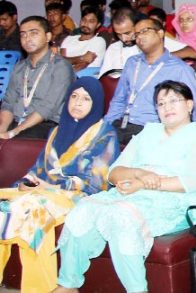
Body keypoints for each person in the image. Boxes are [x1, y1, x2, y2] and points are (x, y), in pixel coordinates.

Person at [55, 80, 196, 293]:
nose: (167, 107)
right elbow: (113, 173)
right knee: (83, 209)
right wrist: (139, 174)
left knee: (122, 217)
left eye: (174, 101)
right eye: (161, 103)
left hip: (176, 200)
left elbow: (191, 182)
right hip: (132, 194)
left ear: (190, 105)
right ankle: (68, 284)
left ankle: (137, 290)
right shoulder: (148, 133)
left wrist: (142, 184)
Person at [0, 77, 118, 293]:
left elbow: (95, 183)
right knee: (4, 208)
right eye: (74, 96)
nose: (78, 103)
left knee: (34, 212)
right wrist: (27, 183)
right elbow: (38, 170)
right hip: (44, 192)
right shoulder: (56, 131)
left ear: (97, 104)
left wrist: (51, 186)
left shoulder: (105, 134)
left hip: (81, 198)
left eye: (85, 99)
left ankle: (40, 288)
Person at [105, 17, 196, 144]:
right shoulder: (132, 63)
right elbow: (119, 99)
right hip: (121, 124)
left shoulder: (179, 69)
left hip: (152, 130)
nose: (139, 37)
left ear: (160, 33)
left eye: (144, 31)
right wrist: (106, 126)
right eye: (136, 34)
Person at [0, 16, 74, 140]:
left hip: (46, 124)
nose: (27, 39)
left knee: (19, 141)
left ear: (48, 37)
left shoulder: (60, 67)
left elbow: (48, 108)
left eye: (34, 33)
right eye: (23, 35)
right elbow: (9, 102)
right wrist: (2, 129)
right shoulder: (20, 67)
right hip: (17, 121)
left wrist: (13, 132)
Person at [98, 10, 192, 76]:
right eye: (118, 34)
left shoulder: (154, 40)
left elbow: (191, 52)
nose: (124, 39)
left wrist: (160, 57)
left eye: (127, 33)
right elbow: (104, 78)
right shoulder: (113, 48)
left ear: (137, 26)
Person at [59, 6, 107, 75]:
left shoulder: (99, 41)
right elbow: (60, 62)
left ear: (98, 25)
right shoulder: (69, 39)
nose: (86, 23)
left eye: (91, 21)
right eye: (84, 20)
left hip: (83, 79)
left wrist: (68, 62)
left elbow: (82, 65)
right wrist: (81, 58)